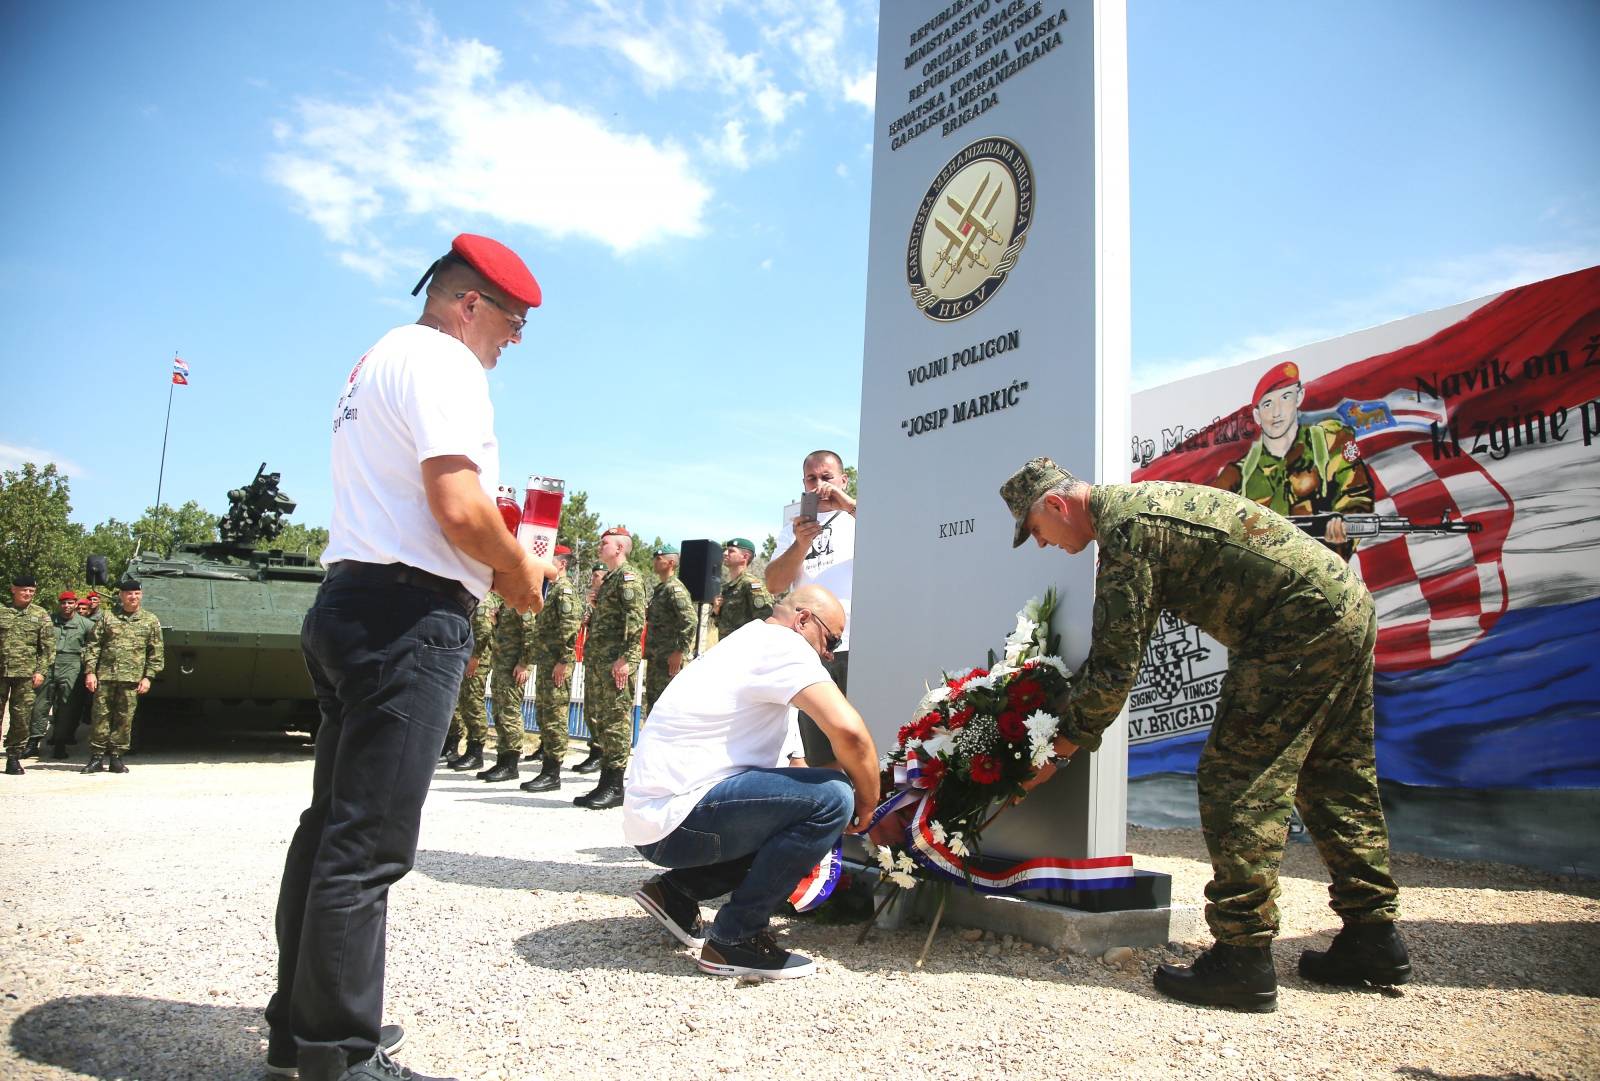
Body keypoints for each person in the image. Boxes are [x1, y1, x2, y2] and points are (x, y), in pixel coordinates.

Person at [264, 233, 553, 1081]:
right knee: (369, 844)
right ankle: (339, 1054)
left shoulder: (378, 357)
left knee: (330, 830)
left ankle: (302, 1030)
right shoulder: (447, 363)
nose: (516, 338)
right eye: (512, 318)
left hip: (351, 599)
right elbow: (459, 508)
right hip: (407, 616)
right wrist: (517, 570)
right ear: (470, 304)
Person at [999, 456, 1409, 1014]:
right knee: (1335, 771)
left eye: (1036, 531)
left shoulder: (1128, 533)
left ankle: (1241, 959)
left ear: (1056, 505)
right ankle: (1372, 937)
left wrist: (1060, 751)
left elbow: (1115, 672)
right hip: (1344, 603)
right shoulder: (1143, 509)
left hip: (1295, 623)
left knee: (1237, 778)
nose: (1042, 544)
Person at [624, 584, 876, 980]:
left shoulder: (748, 645)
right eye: (832, 639)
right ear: (803, 619)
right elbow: (851, 734)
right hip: (679, 816)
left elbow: (794, 770)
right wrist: (867, 800)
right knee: (833, 795)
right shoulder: (784, 647)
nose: (830, 653)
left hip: (662, 817)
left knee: (810, 802)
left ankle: (676, 893)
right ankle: (735, 940)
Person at [1212, 360, 1373, 558]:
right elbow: (1209, 525)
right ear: (1256, 415)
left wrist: (1343, 527)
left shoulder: (1329, 443)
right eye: (1267, 404)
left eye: (1285, 397)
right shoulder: (1238, 476)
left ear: (1299, 397)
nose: (1276, 412)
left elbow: (1356, 495)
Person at [765, 449, 856, 765]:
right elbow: (774, 584)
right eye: (811, 479)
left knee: (858, 741)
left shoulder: (856, 517)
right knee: (819, 751)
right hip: (809, 652)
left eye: (827, 478)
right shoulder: (793, 527)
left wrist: (849, 505)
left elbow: (894, 537)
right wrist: (800, 544)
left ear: (844, 480)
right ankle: (835, 810)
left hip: (856, 646)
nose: (819, 485)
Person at [574, 526, 646, 810]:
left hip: (616, 662)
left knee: (616, 721)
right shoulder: (610, 581)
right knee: (601, 720)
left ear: (619, 548)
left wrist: (627, 659)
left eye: (604, 543)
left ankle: (615, 787)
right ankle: (604, 783)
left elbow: (635, 620)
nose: (599, 546)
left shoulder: (628, 579)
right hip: (599, 662)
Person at [80, 578, 163, 775]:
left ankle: (117, 757)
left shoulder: (150, 620)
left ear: (141, 595)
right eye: (128, 593)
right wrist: (90, 671)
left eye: (136, 593)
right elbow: (93, 645)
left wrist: (148, 677)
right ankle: (96, 757)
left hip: (132, 679)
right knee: (100, 717)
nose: (132, 597)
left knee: (125, 719)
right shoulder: (108, 617)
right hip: (105, 677)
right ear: (121, 596)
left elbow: (156, 652)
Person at [521, 543, 581, 794]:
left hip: (557, 664)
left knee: (555, 717)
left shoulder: (564, 591)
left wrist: (564, 660)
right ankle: (547, 768)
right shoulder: (552, 590)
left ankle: (552, 773)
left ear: (562, 564)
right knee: (545, 715)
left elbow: (571, 628)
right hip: (547, 662)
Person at [1, 574, 54, 775]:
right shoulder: (2, 612)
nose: (28, 594)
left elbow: (48, 648)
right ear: (13, 589)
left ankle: (13, 757)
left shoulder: (40, 615)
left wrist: (41, 671)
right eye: (24, 590)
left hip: (26, 675)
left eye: (31, 591)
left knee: (21, 718)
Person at [481, 588, 536, 782]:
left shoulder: (522, 603)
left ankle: (511, 765)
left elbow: (531, 636)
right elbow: (503, 636)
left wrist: (524, 664)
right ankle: (502, 760)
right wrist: (496, 623)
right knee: (499, 714)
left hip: (513, 668)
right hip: (501, 667)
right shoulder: (506, 604)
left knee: (510, 714)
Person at [35, 592, 92, 760]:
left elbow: (93, 647)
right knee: (40, 705)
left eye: (70, 603)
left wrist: (89, 670)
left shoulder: (86, 624)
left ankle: (60, 743)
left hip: (73, 664)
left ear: (75, 604)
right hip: (49, 663)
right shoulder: (48, 620)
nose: (67, 606)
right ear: (59, 604)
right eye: (64, 603)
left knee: (66, 706)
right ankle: (33, 741)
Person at [642, 544, 696, 719]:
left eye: (659, 559)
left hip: (668, 660)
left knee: (666, 706)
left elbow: (690, 620)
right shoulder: (662, 589)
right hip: (657, 658)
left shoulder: (674, 588)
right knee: (654, 703)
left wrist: (679, 651)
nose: (655, 562)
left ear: (671, 562)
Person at [442, 597, 496, 772]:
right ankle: (458, 746)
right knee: (464, 703)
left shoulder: (483, 601)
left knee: (473, 703)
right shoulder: (472, 598)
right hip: (467, 657)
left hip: (476, 661)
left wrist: (475, 656)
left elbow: (484, 631)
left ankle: (475, 752)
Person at [569, 563, 610, 775]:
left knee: (601, 711)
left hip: (605, 663)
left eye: (596, 576)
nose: (593, 579)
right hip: (593, 660)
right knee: (590, 709)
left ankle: (600, 753)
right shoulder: (596, 601)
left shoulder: (611, 600)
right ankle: (594, 751)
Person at [713, 538, 773, 639]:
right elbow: (722, 624)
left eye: (731, 551)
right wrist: (716, 610)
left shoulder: (751, 584)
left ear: (745, 557)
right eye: (726, 550)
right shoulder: (727, 588)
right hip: (726, 646)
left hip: (745, 647)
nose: (725, 553)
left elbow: (765, 618)